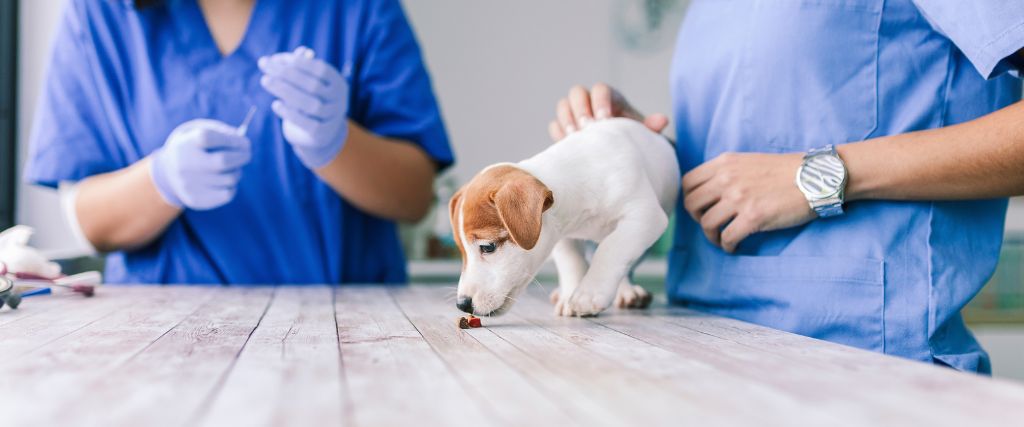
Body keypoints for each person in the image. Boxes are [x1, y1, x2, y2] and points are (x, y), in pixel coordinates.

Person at [550, 1, 1024, 373]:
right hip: (696, 347)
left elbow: (785, 174)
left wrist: (821, 176)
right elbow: (747, 166)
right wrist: (640, 153)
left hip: (862, 364)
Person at [24, 0, 451, 284]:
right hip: (165, 341)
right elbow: (89, 221)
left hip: (346, 341)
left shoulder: (357, 9)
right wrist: (162, 181)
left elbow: (414, 198)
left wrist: (336, 144)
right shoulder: (100, 14)